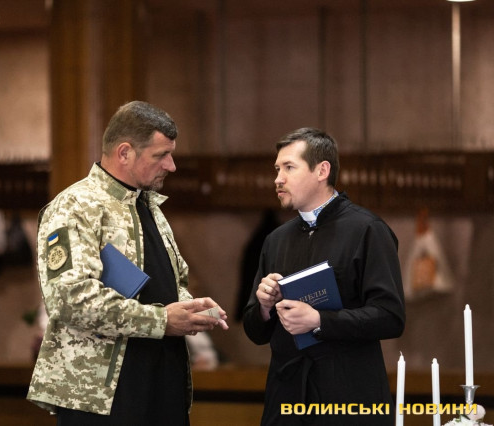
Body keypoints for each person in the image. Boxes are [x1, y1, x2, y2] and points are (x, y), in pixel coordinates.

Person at [27, 100, 228, 426]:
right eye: (161, 155)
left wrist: (191, 309)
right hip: (99, 397)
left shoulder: (149, 207)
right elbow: (70, 299)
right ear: (124, 153)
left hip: (163, 385)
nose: (171, 166)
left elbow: (170, 284)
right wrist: (163, 320)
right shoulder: (74, 206)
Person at [242, 128, 405, 426]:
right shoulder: (275, 240)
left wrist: (319, 320)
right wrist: (264, 307)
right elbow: (255, 332)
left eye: (289, 167)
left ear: (322, 171)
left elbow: (391, 316)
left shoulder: (367, 230)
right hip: (287, 398)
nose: (278, 179)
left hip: (347, 397)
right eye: (277, 169)